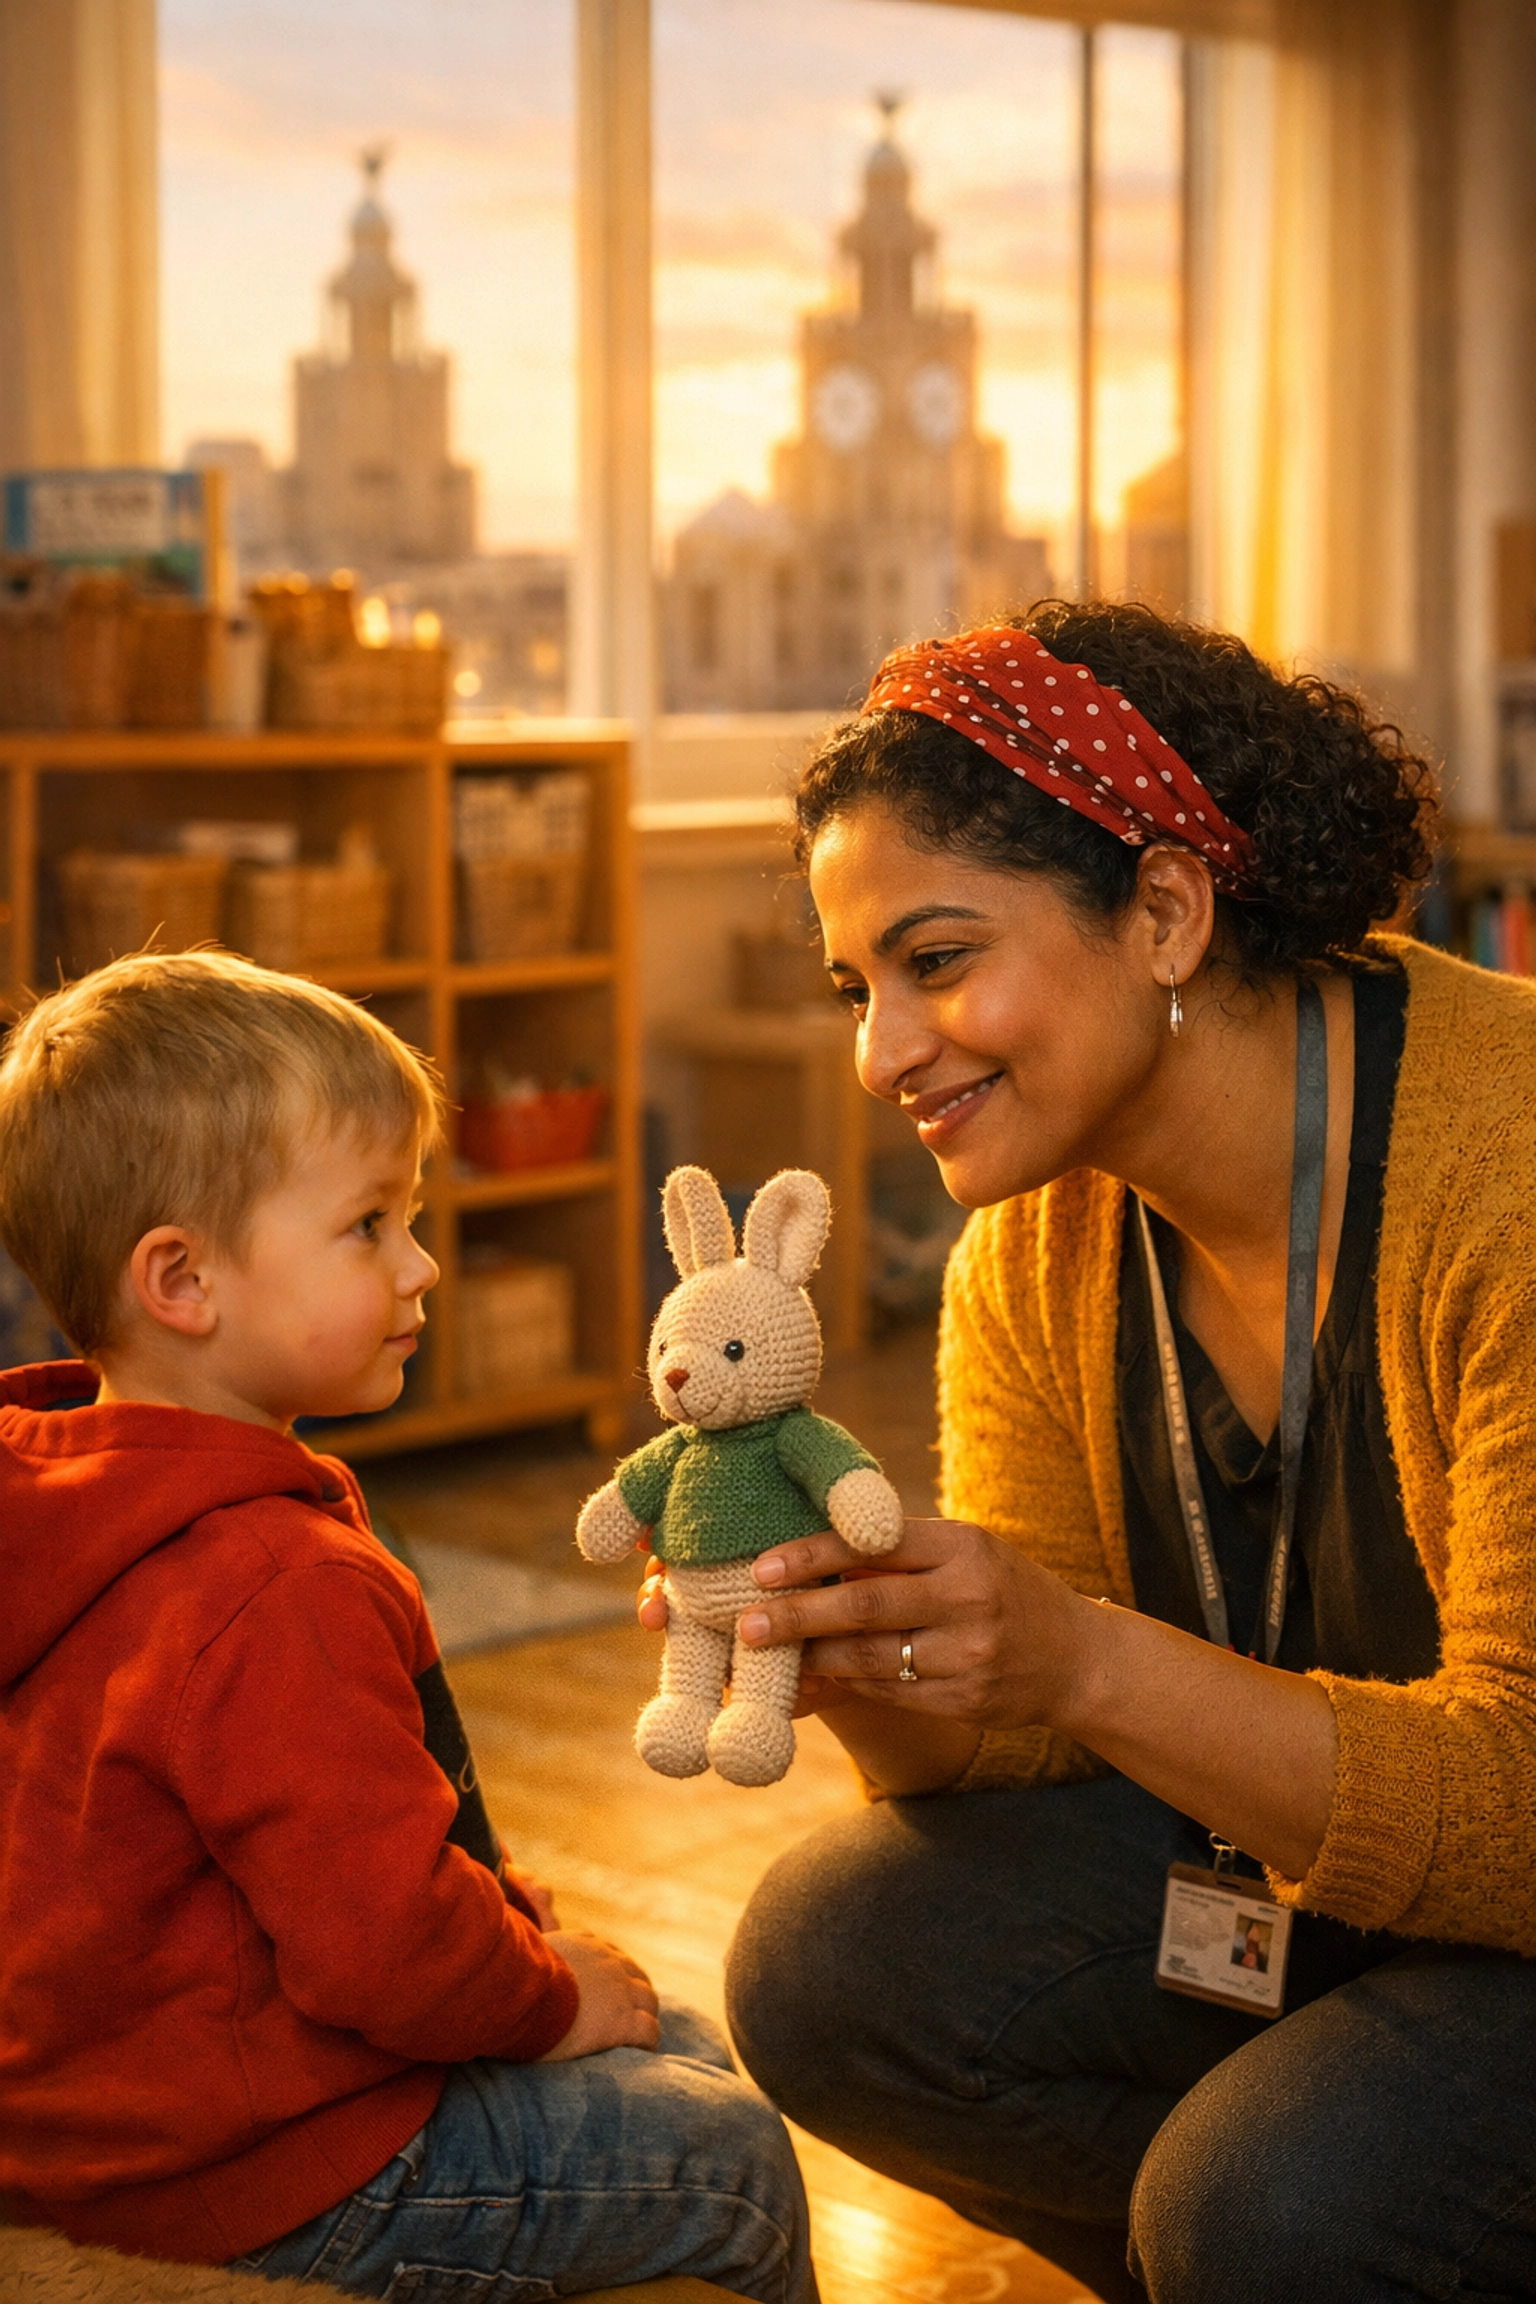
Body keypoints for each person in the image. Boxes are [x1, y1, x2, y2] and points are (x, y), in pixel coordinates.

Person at [646, 601, 1536, 2304]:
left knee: (1270, 2198)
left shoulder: (1506, 1168)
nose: (880, 1051)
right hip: (1327, 1878)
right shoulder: (1037, 1249)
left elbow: (1517, 1797)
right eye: (858, 986)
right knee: (831, 1969)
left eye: (937, 959)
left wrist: (1075, 1655)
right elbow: (1031, 1756)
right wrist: (862, 1662)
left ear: (1168, 909)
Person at [0, 950, 813, 2304]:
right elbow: (383, 1946)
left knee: (670, 2035)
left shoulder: (76, 1490)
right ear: (182, 1282)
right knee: (722, 2156)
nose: (424, 1264)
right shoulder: (269, 1580)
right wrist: (551, 1999)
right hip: (255, 2165)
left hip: (96, 2119)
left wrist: (539, 1957)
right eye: (369, 1225)